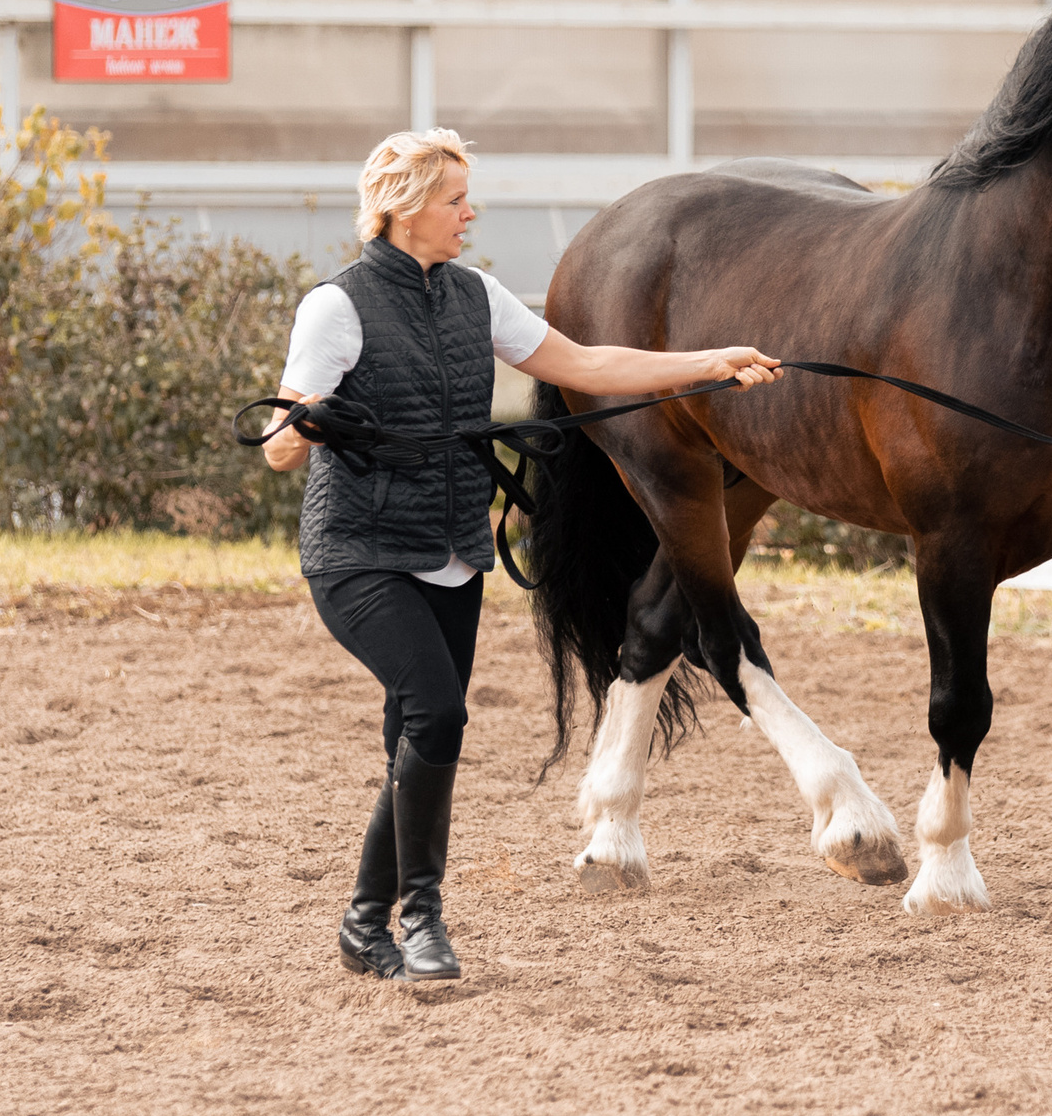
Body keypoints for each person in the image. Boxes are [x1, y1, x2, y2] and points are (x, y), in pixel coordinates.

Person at [263, 129, 780, 983]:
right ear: (403, 207)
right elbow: (281, 446)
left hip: (455, 554)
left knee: (413, 732)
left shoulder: (478, 297)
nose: (471, 211)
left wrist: (709, 362)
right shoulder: (337, 306)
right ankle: (421, 918)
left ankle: (364, 923)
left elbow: (584, 363)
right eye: (454, 198)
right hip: (358, 556)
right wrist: (302, 426)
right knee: (439, 714)